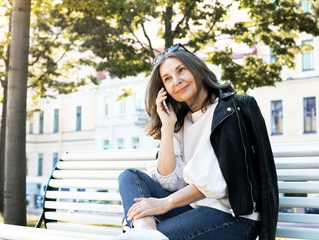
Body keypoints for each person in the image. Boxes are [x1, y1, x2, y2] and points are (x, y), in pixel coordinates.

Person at [112, 43, 278, 240]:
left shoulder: (231, 109)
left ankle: (145, 236)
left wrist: (165, 204)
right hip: (192, 211)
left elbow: (216, 183)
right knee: (130, 176)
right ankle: (145, 231)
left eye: (181, 70)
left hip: (234, 216)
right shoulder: (180, 121)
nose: (176, 80)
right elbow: (168, 180)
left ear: (196, 69)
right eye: (167, 78)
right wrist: (167, 126)